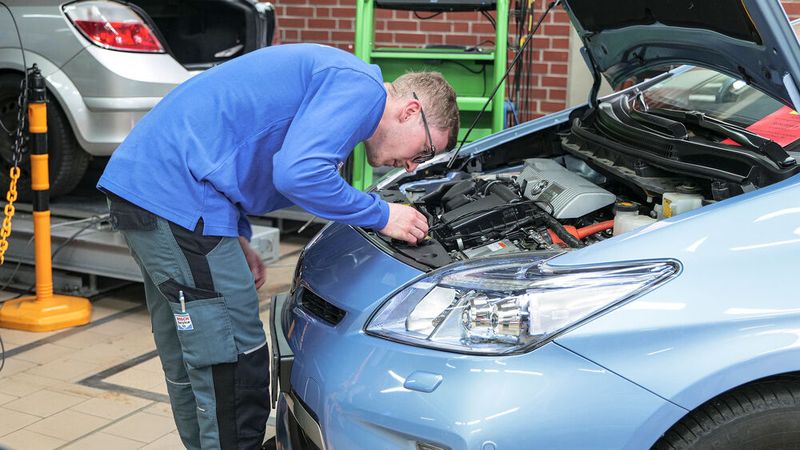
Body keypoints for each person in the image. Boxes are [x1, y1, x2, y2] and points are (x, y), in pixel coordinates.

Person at [97, 43, 459, 449]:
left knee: (189, 350)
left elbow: (234, 142)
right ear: (410, 112)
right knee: (234, 354)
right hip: (177, 197)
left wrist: (236, 235)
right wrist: (382, 214)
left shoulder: (338, 77)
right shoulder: (362, 89)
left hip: (153, 189)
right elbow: (298, 173)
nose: (412, 166)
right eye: (424, 151)